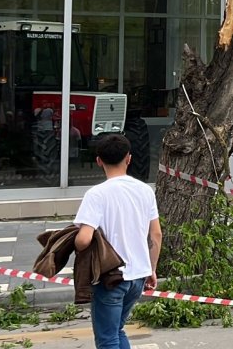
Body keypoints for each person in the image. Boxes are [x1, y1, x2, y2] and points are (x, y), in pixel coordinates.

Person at [74, 133, 162, 349]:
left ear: (98, 161)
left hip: (111, 278)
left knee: (107, 339)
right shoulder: (145, 191)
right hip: (138, 275)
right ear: (129, 158)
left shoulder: (96, 194)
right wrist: (152, 269)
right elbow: (156, 234)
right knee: (116, 331)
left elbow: (84, 239)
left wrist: (73, 241)